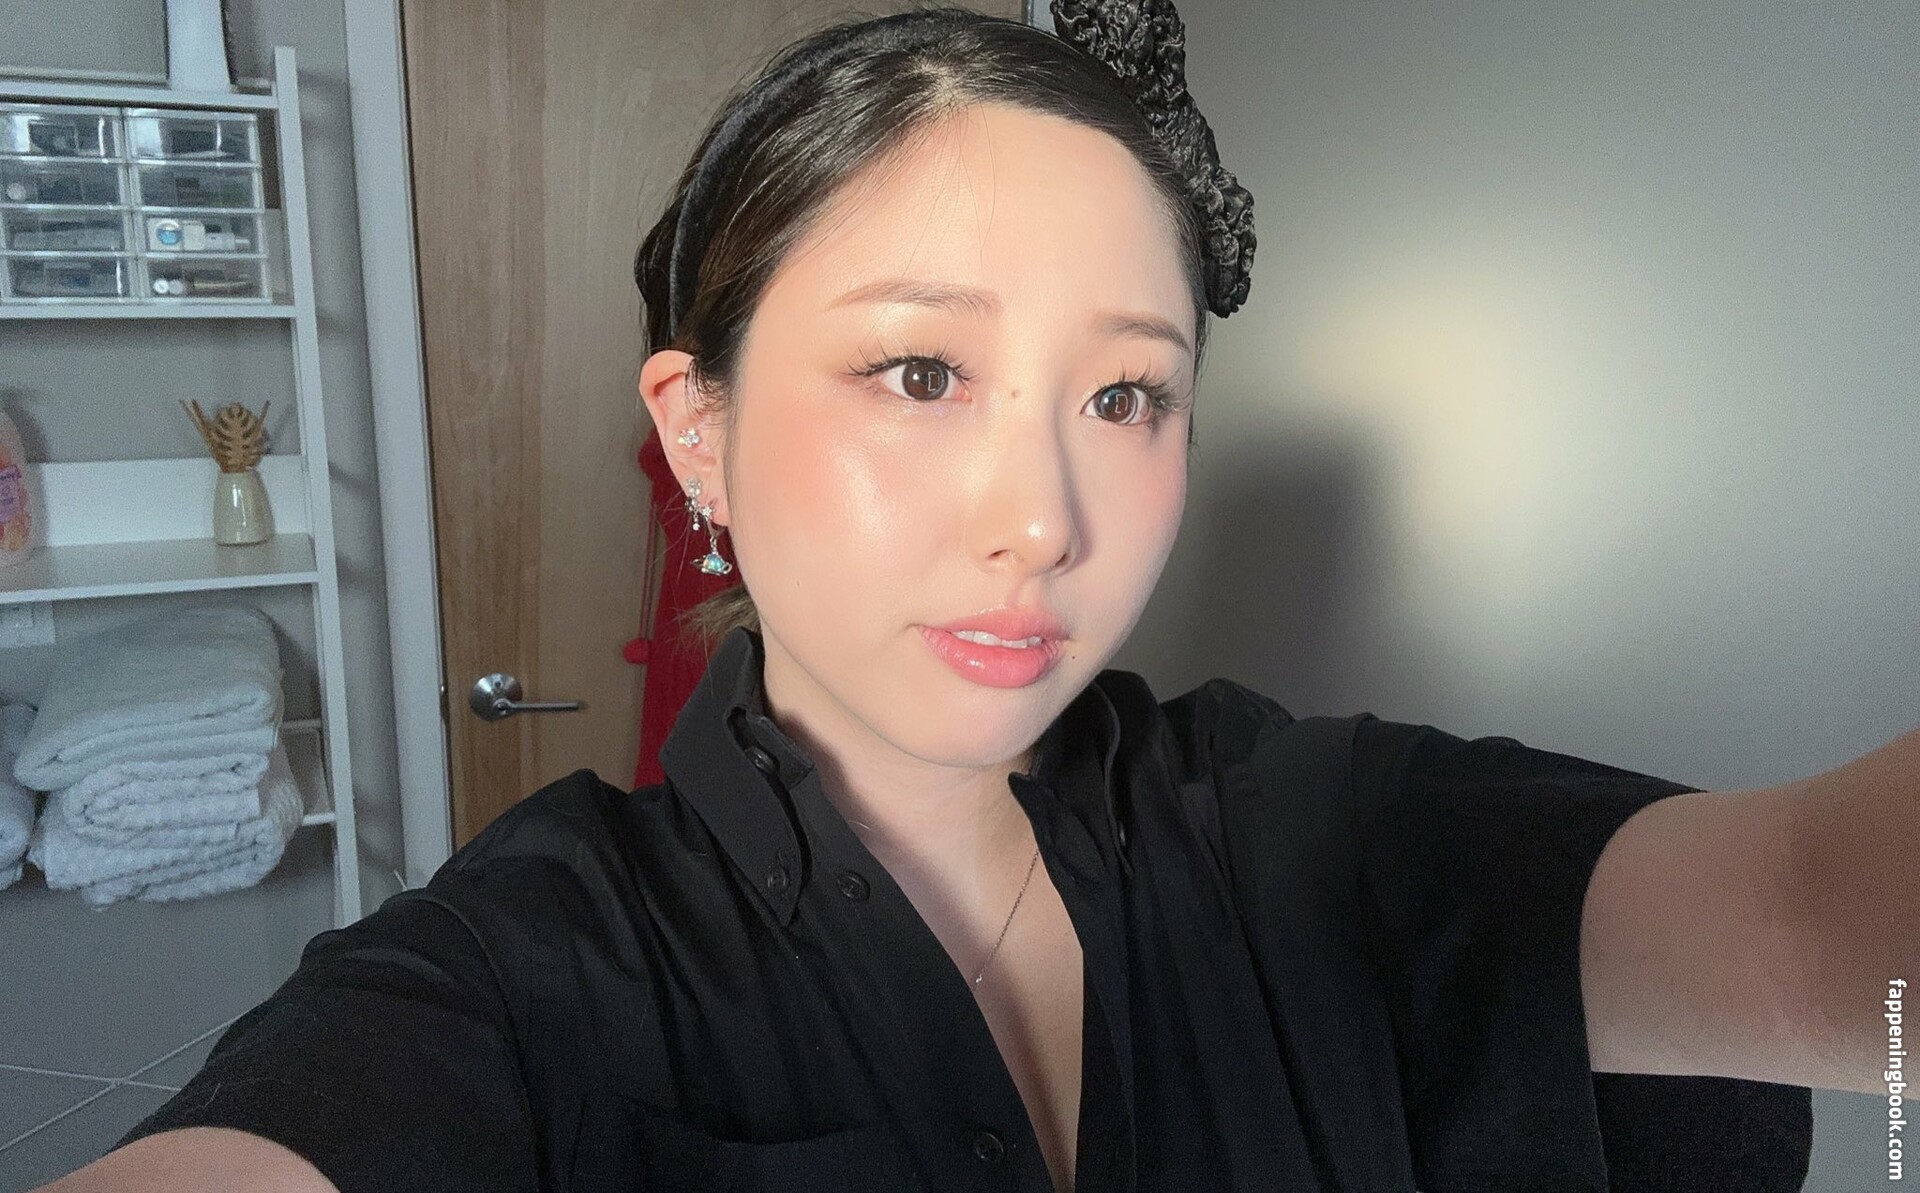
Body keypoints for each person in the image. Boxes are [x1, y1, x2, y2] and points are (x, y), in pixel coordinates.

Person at [36, 2, 1823, 1190]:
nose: (1041, 519)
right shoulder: (526, 970)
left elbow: (1818, 917)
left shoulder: (1313, 832)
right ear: (700, 432)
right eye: (919, 373)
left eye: (1126, 396)